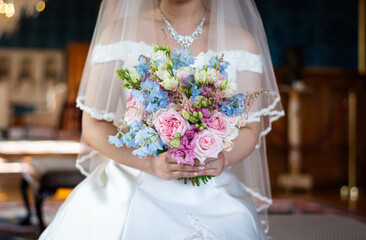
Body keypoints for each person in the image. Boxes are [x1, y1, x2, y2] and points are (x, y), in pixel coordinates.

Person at [39, 0, 284, 239]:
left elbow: (250, 128)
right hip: (134, 176)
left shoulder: (242, 41)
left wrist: (221, 158)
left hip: (207, 179)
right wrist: (150, 163)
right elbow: (92, 126)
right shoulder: (117, 32)